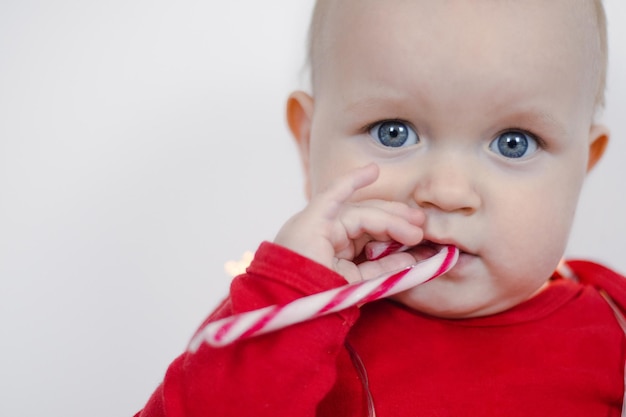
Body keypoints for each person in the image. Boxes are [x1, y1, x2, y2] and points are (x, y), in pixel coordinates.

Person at [135, 0, 626, 416]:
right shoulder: (283, 322)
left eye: (514, 143)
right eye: (394, 132)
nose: (448, 192)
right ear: (310, 145)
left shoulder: (615, 317)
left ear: (584, 164)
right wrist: (287, 294)